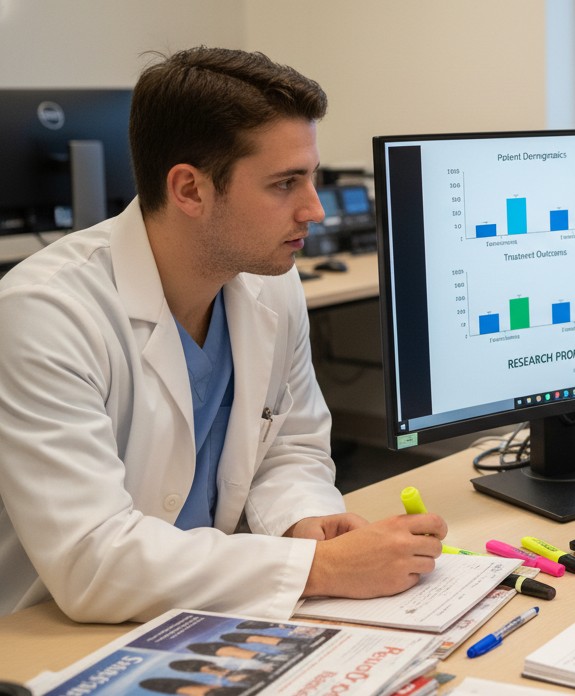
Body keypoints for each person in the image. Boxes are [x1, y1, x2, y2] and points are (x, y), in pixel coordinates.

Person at [0, 47, 446, 623]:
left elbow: (290, 446)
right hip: (54, 636)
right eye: (286, 183)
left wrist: (303, 521)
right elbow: (94, 560)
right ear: (189, 190)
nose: (314, 209)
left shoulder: (269, 282)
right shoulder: (45, 314)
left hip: (208, 609)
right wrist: (323, 569)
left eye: (310, 177)